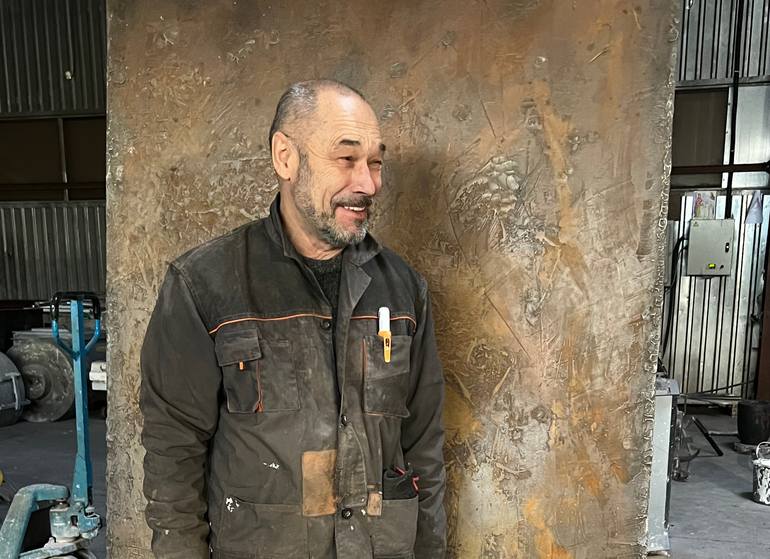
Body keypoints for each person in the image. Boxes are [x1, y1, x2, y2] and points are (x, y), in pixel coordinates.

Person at [140, 79, 447, 558]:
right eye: (346, 158)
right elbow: (173, 452)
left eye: (375, 162)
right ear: (286, 158)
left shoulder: (404, 290)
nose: (368, 184)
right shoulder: (204, 284)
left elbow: (423, 447)